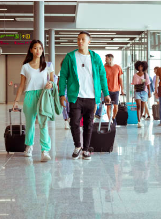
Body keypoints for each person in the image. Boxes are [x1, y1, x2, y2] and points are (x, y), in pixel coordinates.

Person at [59, 31, 111, 160]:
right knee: (74, 123)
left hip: (91, 96)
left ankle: (86, 149)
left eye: (83, 39)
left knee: (89, 123)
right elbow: (63, 76)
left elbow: (102, 76)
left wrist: (106, 93)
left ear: (89, 41)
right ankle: (78, 146)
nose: (80, 41)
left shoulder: (95, 57)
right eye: (78, 39)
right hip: (75, 96)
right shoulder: (70, 57)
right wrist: (61, 94)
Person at [13, 39, 53, 162]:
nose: (38, 50)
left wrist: (50, 84)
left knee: (43, 123)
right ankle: (29, 147)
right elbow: (22, 85)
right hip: (29, 96)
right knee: (30, 124)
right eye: (35, 48)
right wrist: (16, 101)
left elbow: (52, 80)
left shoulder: (47, 65)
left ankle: (44, 151)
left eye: (40, 48)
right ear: (31, 50)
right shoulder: (25, 67)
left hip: (42, 96)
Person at [104, 54, 125, 124]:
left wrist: (122, 89)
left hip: (116, 90)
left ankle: (113, 118)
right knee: (108, 106)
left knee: (116, 107)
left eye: (106, 59)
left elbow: (120, 79)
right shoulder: (104, 67)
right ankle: (110, 121)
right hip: (107, 90)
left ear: (110, 59)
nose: (105, 60)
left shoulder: (118, 67)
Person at [131, 61, 151, 128]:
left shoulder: (146, 75)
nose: (140, 67)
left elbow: (148, 84)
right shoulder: (135, 75)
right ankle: (139, 121)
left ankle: (140, 118)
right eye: (139, 66)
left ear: (144, 67)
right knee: (138, 106)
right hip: (137, 92)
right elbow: (134, 85)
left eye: (141, 66)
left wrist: (149, 93)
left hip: (144, 92)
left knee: (142, 107)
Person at [57, 59, 70, 130]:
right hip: (63, 91)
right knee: (64, 107)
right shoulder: (61, 72)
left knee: (70, 107)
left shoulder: (71, 72)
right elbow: (59, 83)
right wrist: (60, 93)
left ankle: (70, 120)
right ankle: (66, 122)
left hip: (70, 91)